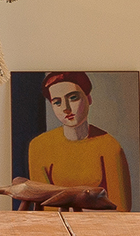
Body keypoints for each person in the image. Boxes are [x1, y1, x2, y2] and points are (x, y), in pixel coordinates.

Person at [7, 71, 131, 211]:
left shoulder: (109, 145)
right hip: (55, 227)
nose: (66, 108)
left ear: (88, 98)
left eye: (73, 98)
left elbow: (121, 209)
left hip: (99, 228)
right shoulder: (39, 146)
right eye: (57, 102)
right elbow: (43, 206)